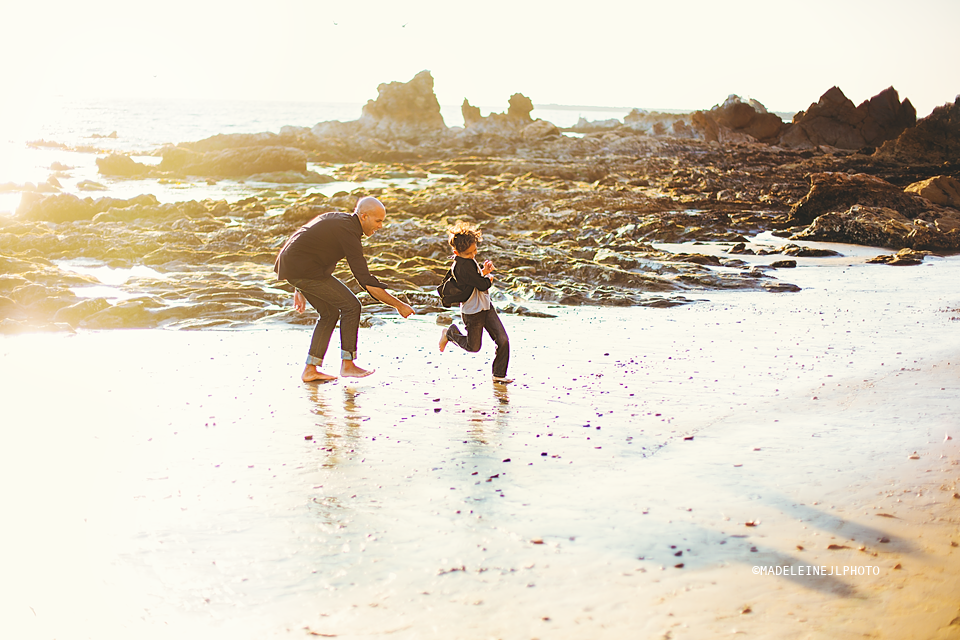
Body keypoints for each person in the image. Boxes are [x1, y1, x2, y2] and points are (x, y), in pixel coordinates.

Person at [275, 196, 414, 382]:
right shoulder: (348, 232)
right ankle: (348, 364)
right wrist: (399, 305)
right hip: (302, 269)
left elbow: (309, 246)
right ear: (364, 216)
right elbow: (365, 280)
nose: (381, 226)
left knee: (329, 313)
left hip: (296, 268)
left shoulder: (341, 222)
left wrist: (298, 287)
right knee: (351, 306)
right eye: (378, 221)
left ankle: (310, 369)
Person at [438, 222, 512, 384]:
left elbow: (474, 280)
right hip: (473, 312)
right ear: (456, 252)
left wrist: (484, 271)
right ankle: (450, 333)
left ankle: (499, 374)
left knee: (503, 340)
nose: (473, 255)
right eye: (468, 253)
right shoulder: (461, 266)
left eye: (474, 251)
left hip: (486, 307)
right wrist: (488, 278)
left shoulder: (468, 261)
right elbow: (482, 284)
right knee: (473, 347)